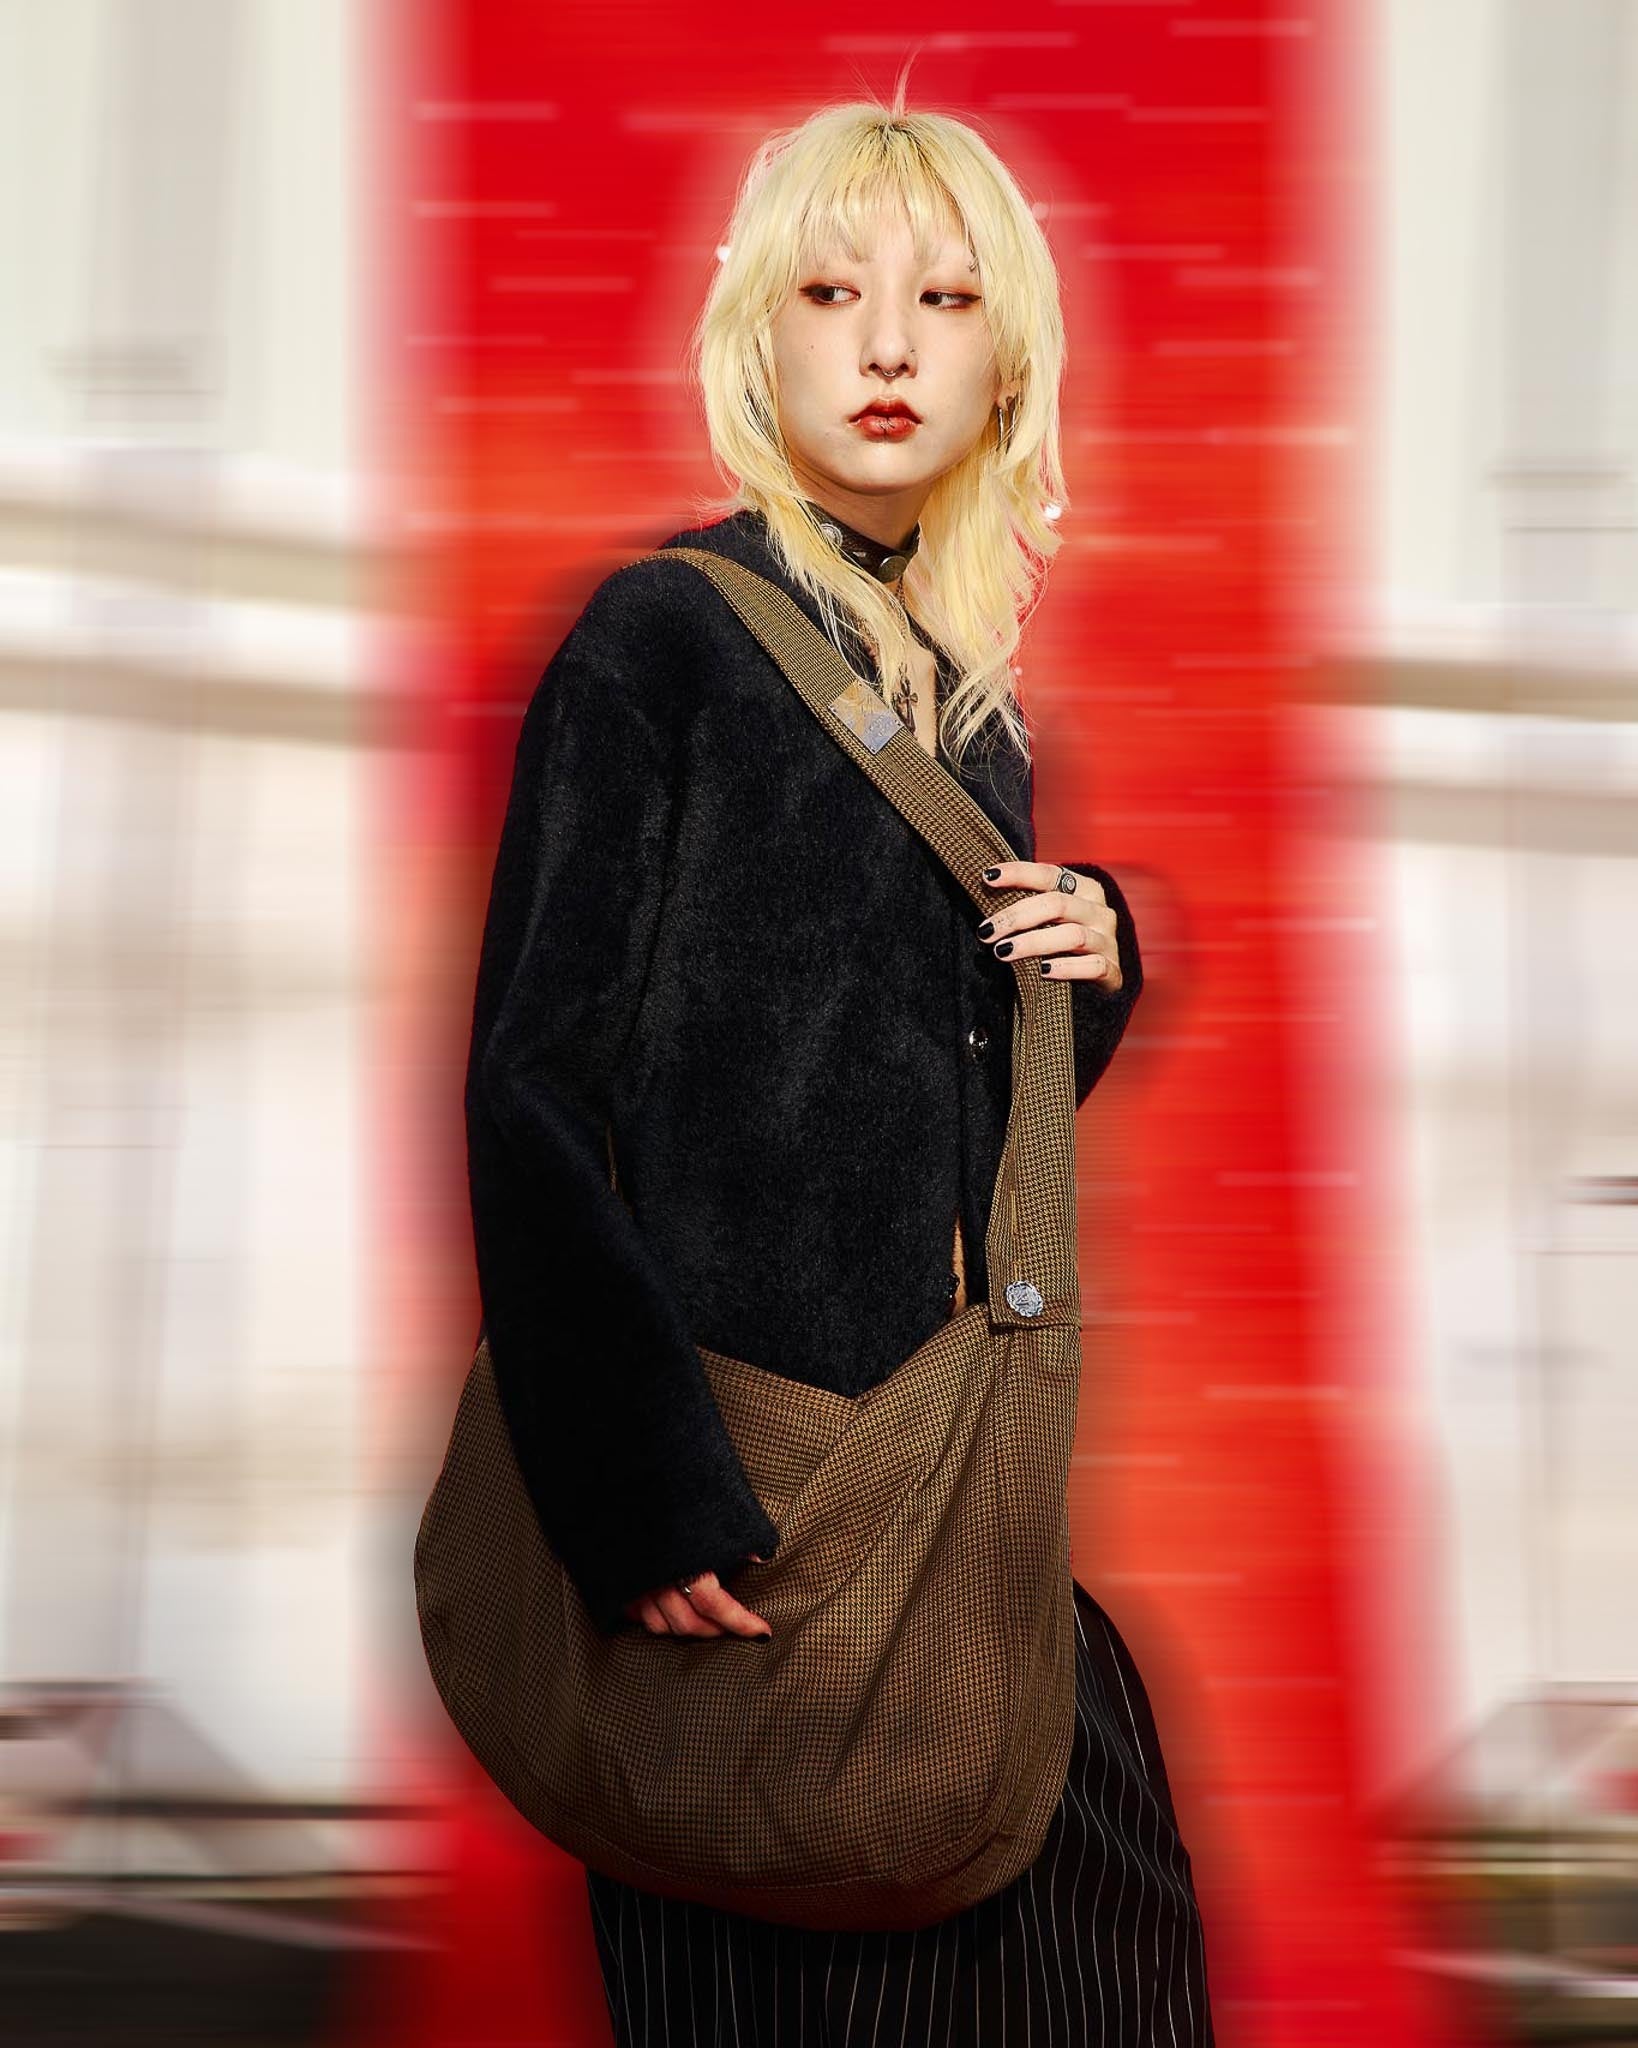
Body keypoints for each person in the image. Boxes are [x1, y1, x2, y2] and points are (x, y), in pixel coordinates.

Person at [465, 88, 1216, 2046]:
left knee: (1104, 1945)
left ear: (1005, 365)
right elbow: (529, 1088)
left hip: (944, 1482)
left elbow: (925, 1113)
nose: (888, 344)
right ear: (760, 338)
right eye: (832, 291)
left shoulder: (970, 711)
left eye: (945, 300)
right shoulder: (659, 639)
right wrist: (641, 1491)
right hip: (743, 1509)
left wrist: (1093, 956)